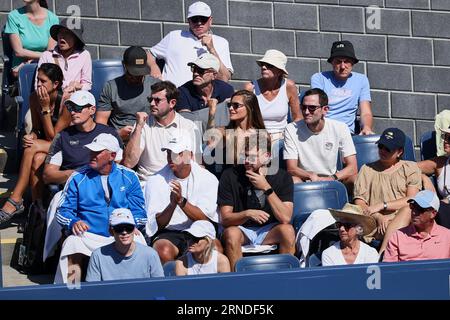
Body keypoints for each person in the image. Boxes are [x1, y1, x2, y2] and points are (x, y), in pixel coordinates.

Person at [54, 133, 147, 284]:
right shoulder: (77, 177)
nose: (92, 155)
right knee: (72, 244)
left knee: (140, 242)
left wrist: (134, 224)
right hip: (89, 234)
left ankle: (139, 290)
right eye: (91, 151)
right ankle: (72, 289)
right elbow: (63, 211)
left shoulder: (129, 176)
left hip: (121, 231)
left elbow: (140, 212)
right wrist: (73, 222)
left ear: (112, 155)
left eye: (97, 152)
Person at [0, 63, 70, 225]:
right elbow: (39, 130)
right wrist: (31, 135)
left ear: (56, 84)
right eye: (38, 80)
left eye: (43, 81)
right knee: (37, 158)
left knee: (33, 148)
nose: (38, 84)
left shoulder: (66, 103)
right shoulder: (34, 98)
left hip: (68, 146)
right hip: (46, 146)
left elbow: (55, 138)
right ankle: (37, 207)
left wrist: (45, 109)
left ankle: (16, 198)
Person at [219, 132, 295, 270]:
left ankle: (286, 280)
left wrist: (266, 187)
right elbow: (225, 219)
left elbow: (285, 217)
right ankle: (237, 280)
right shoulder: (230, 176)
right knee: (231, 234)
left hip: (269, 230)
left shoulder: (283, 177)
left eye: (252, 157)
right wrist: (247, 213)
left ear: (267, 157)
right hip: (241, 229)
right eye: (245, 155)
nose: (247, 161)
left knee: (288, 231)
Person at [145, 134, 219, 264]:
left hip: (200, 229)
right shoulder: (155, 180)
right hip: (168, 232)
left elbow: (205, 219)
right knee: (162, 250)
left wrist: (181, 201)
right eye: (169, 153)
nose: (171, 158)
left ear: (189, 155)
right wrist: (172, 205)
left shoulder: (208, 178)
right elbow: (158, 225)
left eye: (177, 154)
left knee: (216, 248)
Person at [353, 128, 421, 254]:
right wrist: (378, 216)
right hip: (375, 222)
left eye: (388, 148)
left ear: (400, 152)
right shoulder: (366, 169)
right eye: (381, 146)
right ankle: (385, 258)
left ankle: (383, 255)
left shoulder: (410, 167)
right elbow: (360, 203)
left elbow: (411, 199)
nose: (382, 151)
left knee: (408, 209)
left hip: (403, 220)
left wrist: (382, 205)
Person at [123, 81, 202, 181]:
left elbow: (196, 164)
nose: (152, 103)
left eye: (157, 100)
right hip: (148, 182)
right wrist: (138, 127)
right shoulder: (142, 125)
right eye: (150, 99)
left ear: (172, 103)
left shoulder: (189, 127)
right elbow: (129, 163)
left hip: (178, 183)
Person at [43, 90, 120, 186]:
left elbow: (120, 165)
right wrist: (77, 174)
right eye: (70, 107)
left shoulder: (110, 133)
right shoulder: (63, 137)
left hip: (104, 187)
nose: (72, 112)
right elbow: (48, 175)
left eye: (78, 108)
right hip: (74, 189)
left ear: (92, 110)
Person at [147, 1, 233, 86]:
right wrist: (154, 68)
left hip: (201, 97)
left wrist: (212, 49)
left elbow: (224, 78)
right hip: (173, 95)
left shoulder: (221, 43)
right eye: (195, 19)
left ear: (210, 20)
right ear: (189, 21)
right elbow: (149, 54)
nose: (199, 23)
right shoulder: (174, 36)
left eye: (203, 19)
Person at [283, 88, 357, 185]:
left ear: (325, 110)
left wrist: (332, 178)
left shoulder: (340, 127)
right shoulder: (291, 129)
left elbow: (353, 167)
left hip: (333, 180)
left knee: (356, 179)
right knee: (293, 180)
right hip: (306, 181)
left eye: (312, 108)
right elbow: (291, 168)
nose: (306, 112)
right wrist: (311, 176)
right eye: (303, 107)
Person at [96, 46, 159, 141]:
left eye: (140, 73)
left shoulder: (155, 86)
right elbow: (100, 122)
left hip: (149, 137)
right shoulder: (111, 87)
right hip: (120, 138)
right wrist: (117, 134)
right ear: (124, 66)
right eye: (133, 73)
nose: (137, 77)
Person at [311, 40, 373, 135]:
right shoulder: (319, 78)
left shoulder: (361, 80)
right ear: (332, 63)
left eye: (347, 61)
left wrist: (366, 127)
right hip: (323, 131)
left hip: (347, 133)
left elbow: (365, 112)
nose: (343, 66)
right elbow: (317, 110)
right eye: (338, 62)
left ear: (352, 63)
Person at [86, 208, 164, 282]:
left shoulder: (151, 254)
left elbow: (160, 287)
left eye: (128, 227)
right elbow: (92, 292)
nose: (124, 232)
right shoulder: (97, 256)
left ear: (134, 229)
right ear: (111, 231)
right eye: (119, 228)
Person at [244, 49, 301, 142]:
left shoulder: (289, 86)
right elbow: (244, 119)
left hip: (282, 136)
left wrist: (294, 138)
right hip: (257, 136)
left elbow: (297, 117)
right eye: (262, 64)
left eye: (270, 65)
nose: (264, 67)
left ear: (279, 71)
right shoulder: (250, 88)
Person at [383, 190, 450, 262]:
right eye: (413, 207)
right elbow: (389, 269)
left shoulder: (447, 236)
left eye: (420, 209)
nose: (414, 212)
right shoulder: (397, 236)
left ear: (433, 213)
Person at [175, 53, 234, 135]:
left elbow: (230, 119)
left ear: (214, 75)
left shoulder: (226, 90)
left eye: (201, 71)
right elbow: (187, 123)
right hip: (194, 136)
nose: (195, 73)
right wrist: (215, 110)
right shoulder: (182, 92)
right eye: (194, 69)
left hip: (220, 137)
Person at [4, 0, 58, 77]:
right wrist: (43, 56)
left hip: (44, 65)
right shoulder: (14, 16)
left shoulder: (52, 18)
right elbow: (18, 52)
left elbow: (50, 51)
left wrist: (31, 61)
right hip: (20, 67)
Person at [36, 18, 92, 94]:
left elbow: (87, 84)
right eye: (60, 32)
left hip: (75, 99)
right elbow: (37, 84)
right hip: (51, 99)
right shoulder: (46, 56)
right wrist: (68, 86)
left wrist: (79, 87)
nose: (62, 37)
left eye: (67, 33)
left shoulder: (84, 55)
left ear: (76, 38)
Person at [418, 125, 450, 228]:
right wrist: (424, 178)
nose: (445, 141)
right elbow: (409, 168)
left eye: (449, 138)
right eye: (445, 136)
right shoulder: (440, 163)